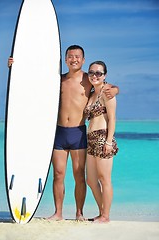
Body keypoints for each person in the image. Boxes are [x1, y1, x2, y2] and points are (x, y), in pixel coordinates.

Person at [8, 45, 119, 221]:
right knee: (58, 174)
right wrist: (17, 67)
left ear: (83, 60)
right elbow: (34, 83)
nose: (73, 59)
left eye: (77, 56)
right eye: (70, 56)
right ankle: (58, 213)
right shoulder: (57, 80)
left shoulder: (88, 79)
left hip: (78, 133)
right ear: (65, 59)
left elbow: (106, 86)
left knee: (79, 174)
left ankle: (79, 213)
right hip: (58, 132)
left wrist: (115, 89)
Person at [84, 60, 118, 223]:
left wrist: (109, 142)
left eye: (99, 73)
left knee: (104, 179)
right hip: (90, 139)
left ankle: (106, 216)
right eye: (92, 72)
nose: (95, 75)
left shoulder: (108, 92)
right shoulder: (91, 93)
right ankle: (102, 212)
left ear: (104, 75)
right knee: (90, 180)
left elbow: (112, 119)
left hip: (103, 137)